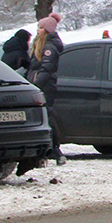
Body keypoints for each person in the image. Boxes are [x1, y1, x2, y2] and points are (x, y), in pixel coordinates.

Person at [24, 14, 65, 169]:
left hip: (44, 87)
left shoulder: (48, 48)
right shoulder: (41, 45)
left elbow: (46, 69)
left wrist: (35, 85)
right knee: (44, 117)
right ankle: (47, 151)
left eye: (41, 28)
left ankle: (55, 150)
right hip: (40, 85)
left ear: (47, 30)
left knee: (46, 117)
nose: (38, 31)